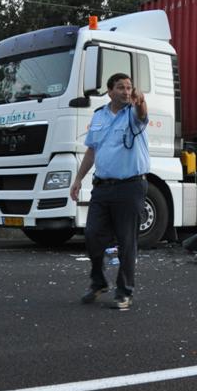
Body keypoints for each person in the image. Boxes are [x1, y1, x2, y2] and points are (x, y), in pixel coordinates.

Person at [69, 73, 149, 310]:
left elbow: (143, 114)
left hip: (130, 186)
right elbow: (92, 151)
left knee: (127, 241)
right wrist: (78, 179)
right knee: (93, 235)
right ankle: (98, 282)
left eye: (129, 87)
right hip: (103, 187)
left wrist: (141, 100)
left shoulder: (134, 114)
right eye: (121, 87)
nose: (126, 91)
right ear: (109, 91)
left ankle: (124, 292)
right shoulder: (99, 116)